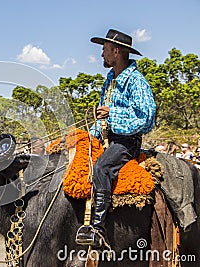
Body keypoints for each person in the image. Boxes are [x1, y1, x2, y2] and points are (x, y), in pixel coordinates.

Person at [75, 29, 156, 248]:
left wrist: (112, 114)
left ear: (116, 51)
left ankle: (98, 230)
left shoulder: (137, 81)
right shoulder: (111, 78)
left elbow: (146, 117)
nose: (102, 55)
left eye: (104, 50)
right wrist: (87, 136)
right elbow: (103, 117)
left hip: (126, 142)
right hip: (107, 137)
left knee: (102, 167)